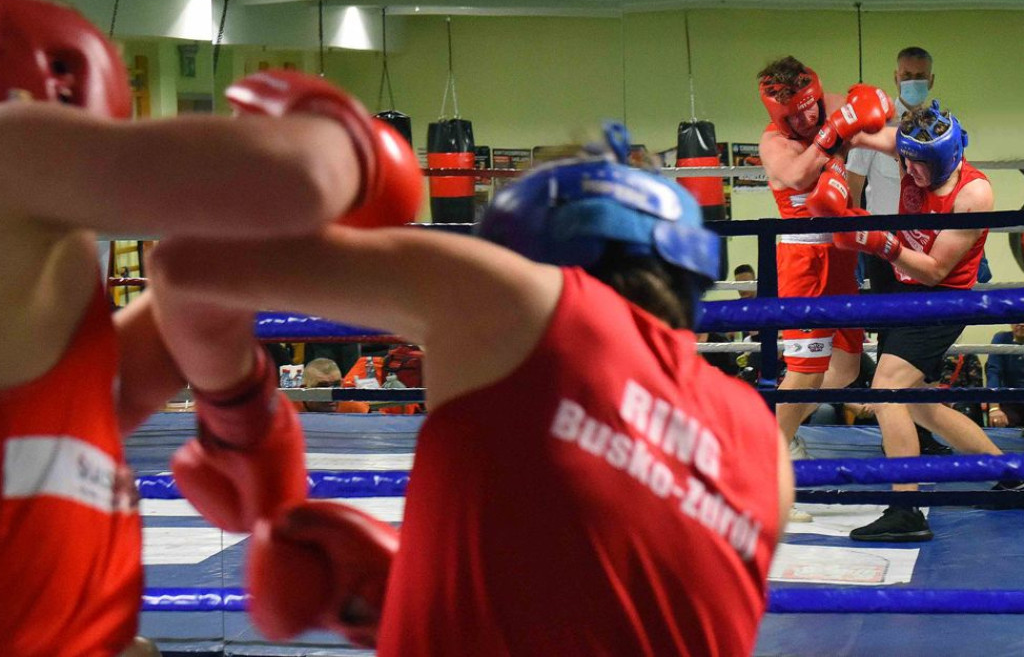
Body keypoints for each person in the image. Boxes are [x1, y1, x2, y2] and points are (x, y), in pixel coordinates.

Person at [146, 126, 794, 655]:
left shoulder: (511, 300)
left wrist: (245, 436)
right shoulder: (765, 449)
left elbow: (193, 264)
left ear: (519, 245)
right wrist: (419, 603)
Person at [0, 0, 421, 655]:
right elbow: (289, 183)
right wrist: (345, 139)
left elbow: (166, 313)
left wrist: (240, 411)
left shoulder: (28, 275)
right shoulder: (10, 152)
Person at [809, 101, 1021, 541]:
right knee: (920, 404)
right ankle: (1011, 474)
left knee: (886, 391)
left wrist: (878, 242)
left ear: (946, 158)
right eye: (909, 161)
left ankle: (906, 509)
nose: (913, 172)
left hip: (942, 300)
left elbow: (937, 269)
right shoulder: (910, 151)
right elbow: (856, 135)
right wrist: (826, 133)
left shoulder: (973, 193)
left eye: (923, 165)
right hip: (907, 292)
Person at [756, 56, 892, 446]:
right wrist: (832, 133)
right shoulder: (774, 142)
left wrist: (912, 142)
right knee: (806, 369)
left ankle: (782, 431)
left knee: (846, 368)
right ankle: (771, 458)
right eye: (792, 117)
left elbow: (877, 129)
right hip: (805, 262)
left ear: (814, 94)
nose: (802, 121)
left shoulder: (829, 105)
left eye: (807, 110)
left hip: (844, 254)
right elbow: (799, 175)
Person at [847, 47, 933, 294]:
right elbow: (853, 184)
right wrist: (855, 241)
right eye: (907, 75)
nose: (912, 81)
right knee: (887, 317)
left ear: (931, 80)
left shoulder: (942, 127)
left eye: (920, 76)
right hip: (885, 235)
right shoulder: (874, 124)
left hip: (929, 236)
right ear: (895, 77)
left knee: (928, 313)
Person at [985, 323, 1024, 427]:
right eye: (1018, 319)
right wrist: (994, 408)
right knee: (999, 420)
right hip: (1010, 400)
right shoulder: (1001, 338)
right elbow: (994, 372)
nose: (1021, 324)